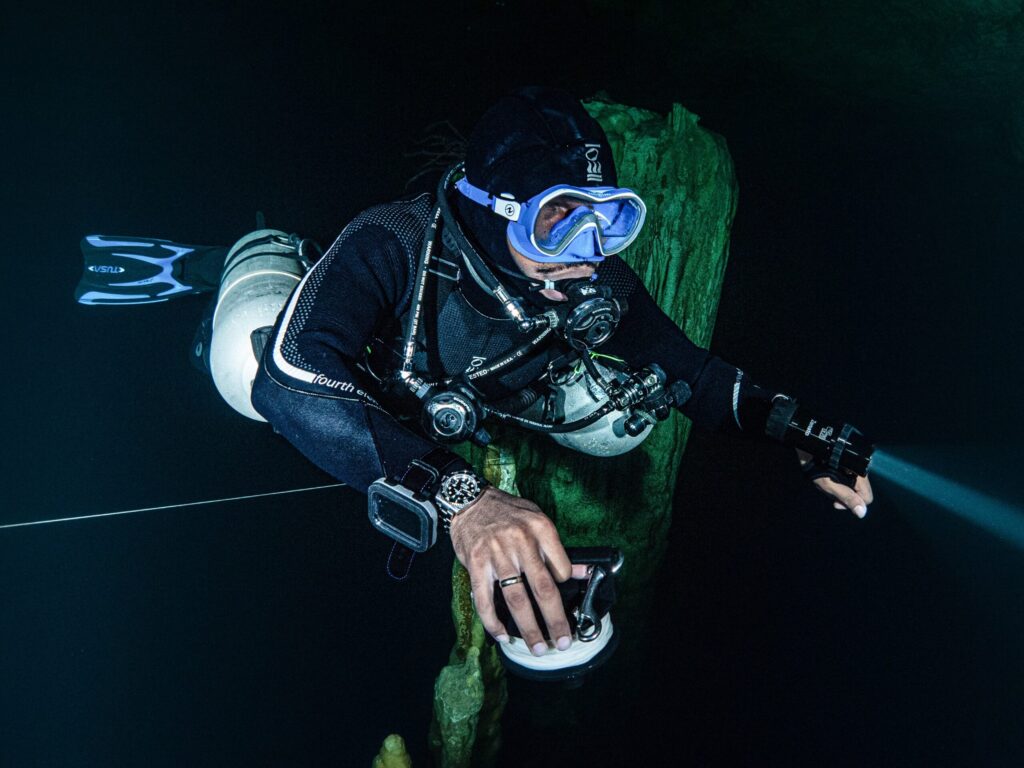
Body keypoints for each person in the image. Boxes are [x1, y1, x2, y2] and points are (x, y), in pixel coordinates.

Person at [76, 87, 873, 664]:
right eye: (559, 218)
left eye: (609, 216)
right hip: (368, 375)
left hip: (477, 392)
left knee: (615, 423)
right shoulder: (391, 242)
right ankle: (246, 255)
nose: (589, 250)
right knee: (240, 365)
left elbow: (691, 373)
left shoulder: (594, 284)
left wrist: (796, 431)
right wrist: (464, 499)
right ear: (494, 207)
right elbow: (291, 379)